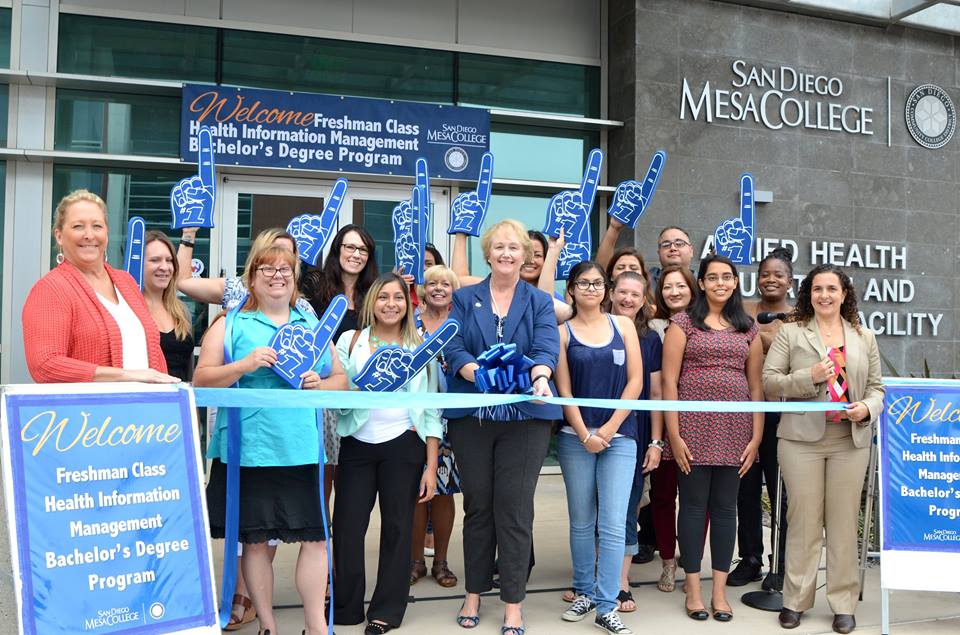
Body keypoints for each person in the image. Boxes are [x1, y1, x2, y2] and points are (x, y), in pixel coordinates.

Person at [196, 244, 348, 635]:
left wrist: (320, 385)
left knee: (315, 540)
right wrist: (245, 364)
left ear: (295, 278)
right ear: (252, 275)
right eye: (268, 267)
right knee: (257, 543)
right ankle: (268, 624)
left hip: (299, 447)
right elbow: (201, 380)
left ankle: (316, 627)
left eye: (286, 268)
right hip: (250, 451)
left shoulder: (310, 325)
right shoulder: (229, 324)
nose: (277, 275)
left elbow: (340, 380)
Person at [444, 219, 560, 635]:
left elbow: (547, 347)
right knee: (478, 507)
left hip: (525, 419)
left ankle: (513, 602)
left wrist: (540, 375)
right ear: (488, 253)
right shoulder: (464, 297)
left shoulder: (539, 301)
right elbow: (451, 344)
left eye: (516, 248)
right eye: (500, 247)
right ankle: (473, 593)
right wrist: (475, 372)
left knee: (513, 510)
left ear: (526, 256)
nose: (507, 254)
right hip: (473, 418)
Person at [763, 265, 883, 635]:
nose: (825, 295)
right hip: (801, 441)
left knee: (844, 523)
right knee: (804, 522)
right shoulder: (792, 333)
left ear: (844, 293)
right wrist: (809, 377)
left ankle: (843, 604)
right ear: (809, 294)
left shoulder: (863, 336)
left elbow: (877, 388)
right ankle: (795, 601)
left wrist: (867, 408)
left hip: (850, 440)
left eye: (832, 288)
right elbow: (769, 382)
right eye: (818, 289)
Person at [334, 272, 441, 635]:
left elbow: (430, 410)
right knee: (348, 527)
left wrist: (431, 465)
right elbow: (337, 392)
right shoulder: (350, 341)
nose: (390, 304)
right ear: (371, 303)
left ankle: (387, 610)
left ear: (408, 304)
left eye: (398, 297)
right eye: (383, 298)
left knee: (397, 527)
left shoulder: (420, 344)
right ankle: (346, 606)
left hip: (404, 444)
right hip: (357, 444)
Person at [662, 254, 763, 622]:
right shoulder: (682, 323)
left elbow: (755, 386)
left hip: (736, 430)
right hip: (691, 427)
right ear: (701, 283)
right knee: (690, 508)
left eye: (727, 277)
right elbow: (669, 382)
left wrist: (756, 437)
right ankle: (692, 588)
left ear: (735, 282)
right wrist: (673, 434)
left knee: (725, 510)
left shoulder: (748, 328)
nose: (720, 282)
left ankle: (719, 592)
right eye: (712, 277)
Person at [554, 261, 642, 635]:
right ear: (570, 289)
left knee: (613, 523)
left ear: (606, 289)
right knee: (582, 522)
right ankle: (585, 591)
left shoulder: (623, 325)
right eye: (582, 283)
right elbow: (564, 389)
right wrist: (584, 432)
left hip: (619, 437)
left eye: (597, 283)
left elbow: (636, 382)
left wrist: (606, 429)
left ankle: (607, 604)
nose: (591, 288)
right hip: (576, 438)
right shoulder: (561, 332)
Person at [23, 189, 177, 384]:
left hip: (143, 411)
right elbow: (45, 366)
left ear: (106, 232)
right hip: (90, 413)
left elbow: (153, 352)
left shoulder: (126, 282)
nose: (89, 235)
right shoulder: (51, 289)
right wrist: (126, 375)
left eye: (97, 226)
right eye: (78, 226)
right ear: (59, 235)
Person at [301, 224, 380, 508]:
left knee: (348, 467)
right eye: (350, 247)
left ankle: (340, 530)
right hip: (319, 388)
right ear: (337, 250)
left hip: (357, 393)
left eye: (363, 249)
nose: (356, 254)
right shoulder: (314, 287)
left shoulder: (374, 294)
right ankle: (321, 528)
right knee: (323, 465)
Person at [729, 247, 794, 590]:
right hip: (745, 415)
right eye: (765, 274)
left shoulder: (800, 316)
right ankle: (750, 558)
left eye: (778, 275)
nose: (771, 279)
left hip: (783, 418)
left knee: (782, 493)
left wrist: (760, 338)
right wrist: (769, 340)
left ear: (790, 281)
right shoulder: (743, 309)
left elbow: (793, 355)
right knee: (746, 490)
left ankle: (779, 565)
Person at [608, 271, 664, 608]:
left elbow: (656, 392)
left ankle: (620, 580)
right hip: (591, 433)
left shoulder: (650, 339)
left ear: (644, 300)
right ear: (611, 292)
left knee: (626, 509)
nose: (628, 299)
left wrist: (656, 442)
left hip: (635, 433)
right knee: (592, 511)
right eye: (622, 292)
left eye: (636, 294)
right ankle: (592, 576)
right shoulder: (591, 328)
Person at [410, 265, 461, 590]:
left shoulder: (461, 324)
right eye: (432, 283)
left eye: (445, 283)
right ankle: (415, 561)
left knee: (443, 492)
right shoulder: (409, 323)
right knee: (416, 492)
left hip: (451, 419)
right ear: (422, 289)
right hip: (413, 418)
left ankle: (440, 561)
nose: (439, 288)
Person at [647, 264, 697, 593]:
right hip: (661, 422)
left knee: (696, 499)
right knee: (663, 496)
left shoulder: (707, 325)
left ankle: (691, 561)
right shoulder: (652, 327)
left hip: (696, 424)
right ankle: (668, 561)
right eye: (667, 287)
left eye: (681, 286)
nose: (674, 292)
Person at [177, 226, 316, 315]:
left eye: (287, 253)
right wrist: (189, 234)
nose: (280, 257)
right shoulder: (237, 288)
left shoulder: (303, 308)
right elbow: (183, 282)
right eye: (273, 250)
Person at [143, 231, 195, 382]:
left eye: (169, 260)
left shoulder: (181, 311)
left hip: (179, 401)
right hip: (143, 401)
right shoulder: (127, 309)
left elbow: (188, 368)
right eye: (155, 260)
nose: (164, 267)